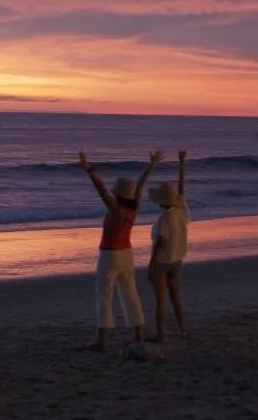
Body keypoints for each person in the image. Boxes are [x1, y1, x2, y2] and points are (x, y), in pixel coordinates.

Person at [78, 149, 164, 352]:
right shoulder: (133, 209)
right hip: (127, 254)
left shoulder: (115, 211)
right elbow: (140, 187)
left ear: (117, 195)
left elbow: (100, 189)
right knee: (130, 293)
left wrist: (89, 169)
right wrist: (151, 166)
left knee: (105, 295)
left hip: (109, 255)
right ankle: (138, 334)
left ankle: (102, 341)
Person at [147, 149, 190, 345]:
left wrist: (150, 265)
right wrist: (181, 164)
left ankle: (160, 335)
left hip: (163, 262)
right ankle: (182, 330)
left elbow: (160, 244)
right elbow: (181, 190)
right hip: (177, 261)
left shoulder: (164, 219)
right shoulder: (182, 211)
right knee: (175, 297)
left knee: (161, 300)